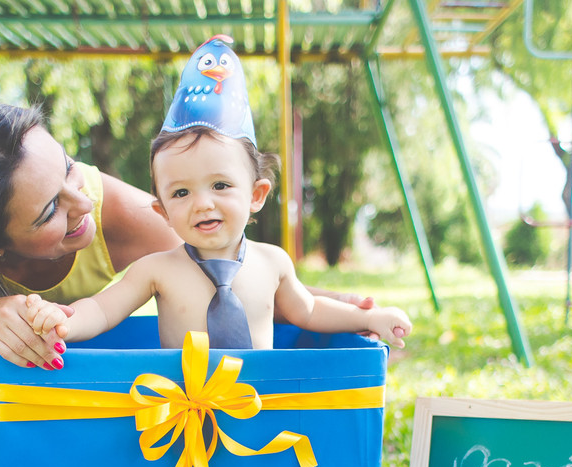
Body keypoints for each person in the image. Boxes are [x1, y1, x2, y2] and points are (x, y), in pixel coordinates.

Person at [0, 96, 378, 467]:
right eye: (51, 209)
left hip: (64, 411)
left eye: (70, 169)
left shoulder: (109, 207)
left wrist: (350, 311)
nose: (83, 202)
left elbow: (239, 282)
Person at [27, 35, 412, 351]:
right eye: (180, 193)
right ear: (161, 212)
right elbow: (102, 310)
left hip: (259, 411)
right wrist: (64, 322)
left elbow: (308, 311)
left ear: (256, 194)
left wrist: (368, 317)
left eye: (221, 185)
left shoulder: (273, 263)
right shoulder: (156, 270)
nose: (203, 203)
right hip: (182, 417)